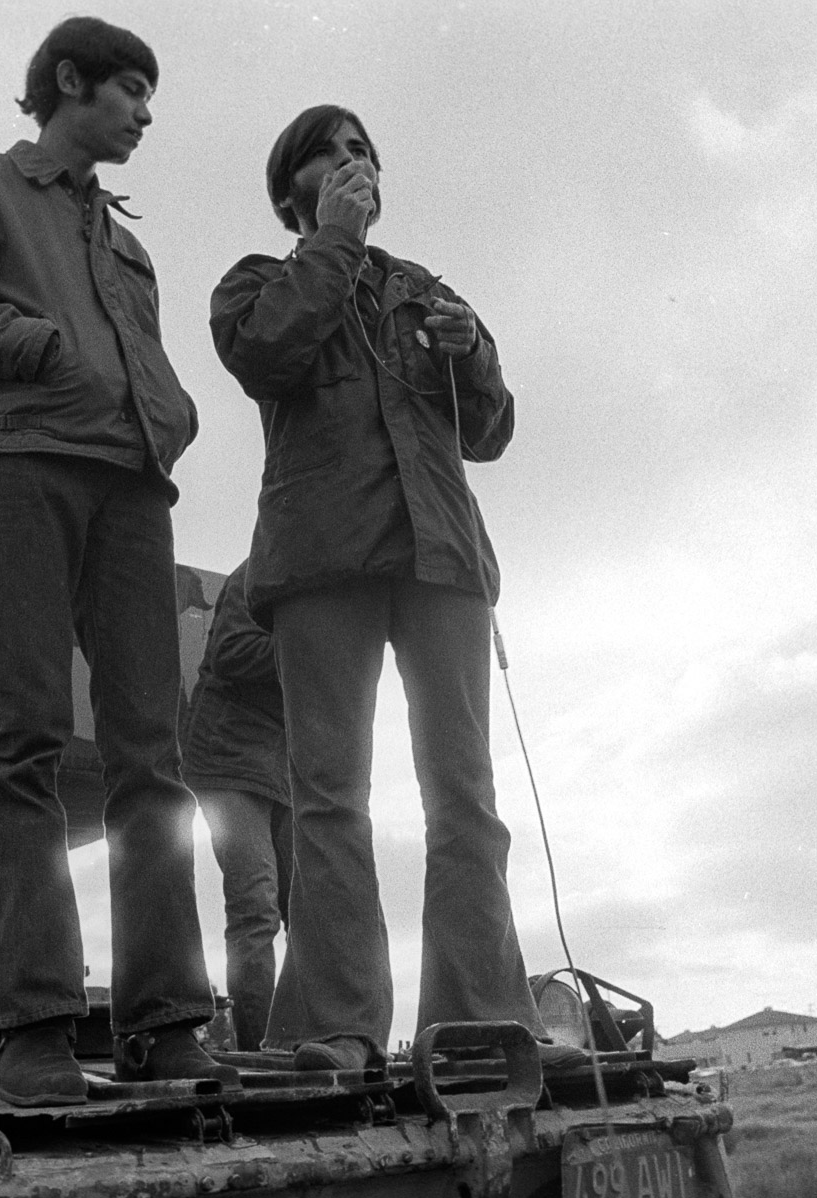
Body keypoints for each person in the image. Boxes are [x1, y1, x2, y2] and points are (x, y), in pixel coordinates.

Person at [0, 17, 232, 1105]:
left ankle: (168, 1020)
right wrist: (35, 347)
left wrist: (168, 417)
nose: (144, 112)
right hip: (21, 466)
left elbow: (143, 366)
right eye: (130, 89)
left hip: (133, 487)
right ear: (68, 81)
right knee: (29, 732)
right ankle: (31, 1025)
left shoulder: (127, 244)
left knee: (151, 756)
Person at [209, 105, 585, 1073]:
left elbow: (489, 430)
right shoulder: (256, 282)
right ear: (291, 189)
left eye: (365, 151)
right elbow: (267, 352)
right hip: (322, 560)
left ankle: (479, 1014)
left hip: (442, 562)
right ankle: (336, 1025)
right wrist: (334, 243)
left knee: (465, 794)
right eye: (332, 154)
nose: (356, 161)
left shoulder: (425, 291)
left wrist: (471, 353)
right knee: (329, 793)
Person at [182, 560, 294, 1053]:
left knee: (310, 909)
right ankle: (258, 1051)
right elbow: (231, 651)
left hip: (284, 769)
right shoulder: (257, 572)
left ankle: (301, 1037)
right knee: (256, 908)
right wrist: (312, 644)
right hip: (228, 759)